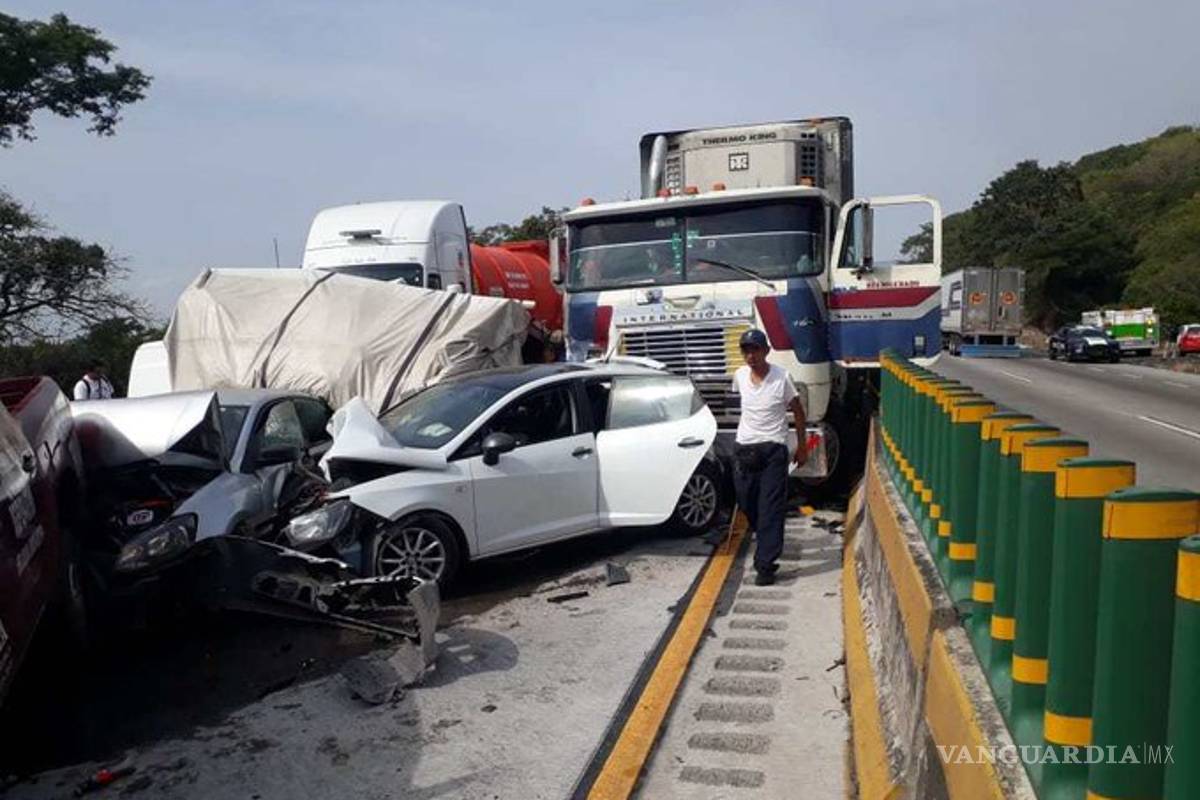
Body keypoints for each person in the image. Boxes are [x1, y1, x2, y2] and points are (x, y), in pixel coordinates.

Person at [731, 329, 807, 585]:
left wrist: (802, 446)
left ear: (766, 351)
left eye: (755, 350)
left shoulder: (781, 377)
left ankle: (765, 564)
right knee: (747, 503)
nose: (750, 355)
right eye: (746, 350)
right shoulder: (739, 376)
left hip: (773, 450)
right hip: (745, 450)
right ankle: (763, 535)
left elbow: (798, 411)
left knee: (770, 508)